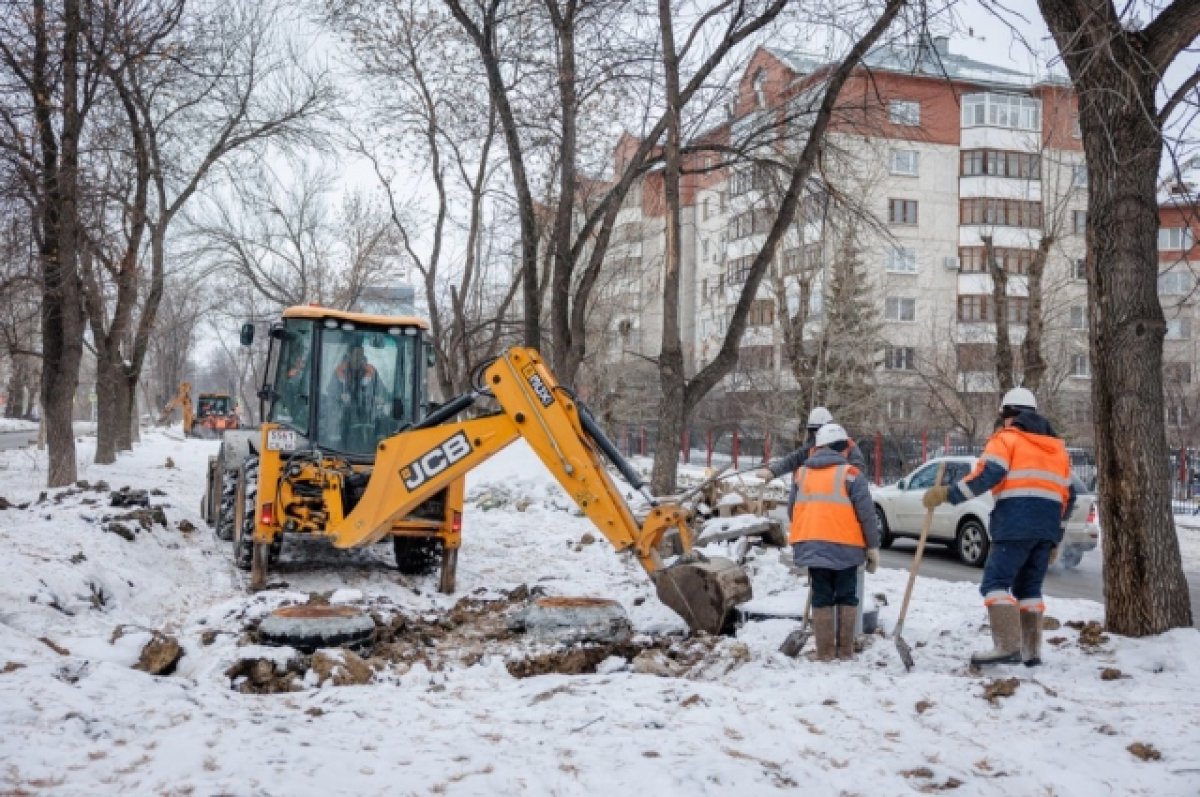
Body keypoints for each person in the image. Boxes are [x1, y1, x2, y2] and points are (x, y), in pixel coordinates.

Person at [922, 387, 1074, 667]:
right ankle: (1031, 651)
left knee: (994, 583)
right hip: (1046, 528)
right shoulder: (1057, 450)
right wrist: (1056, 537)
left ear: (1009, 415)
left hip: (1015, 523)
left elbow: (988, 474)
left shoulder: (1007, 439)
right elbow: (1069, 495)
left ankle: (1007, 647)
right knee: (1029, 588)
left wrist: (948, 494)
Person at [785, 423, 880, 661]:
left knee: (821, 594)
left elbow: (791, 511)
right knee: (847, 595)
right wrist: (873, 547)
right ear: (843, 448)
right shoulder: (851, 474)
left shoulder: (801, 474)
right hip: (847, 547)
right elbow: (867, 514)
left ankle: (825, 652)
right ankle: (845, 651)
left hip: (813, 545)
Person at [754, 406, 865, 518]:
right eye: (813, 431)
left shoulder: (848, 446)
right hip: (816, 508)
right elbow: (794, 458)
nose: (816, 434)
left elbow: (858, 478)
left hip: (840, 508)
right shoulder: (813, 445)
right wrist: (773, 471)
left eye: (818, 430)